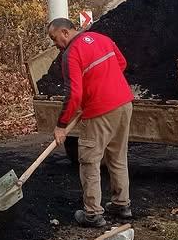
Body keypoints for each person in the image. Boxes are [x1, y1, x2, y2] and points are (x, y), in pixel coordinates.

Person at [48, 18, 134, 227]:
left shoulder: (71, 54)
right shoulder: (101, 38)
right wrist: (104, 82)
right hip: (124, 103)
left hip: (100, 111)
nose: (55, 43)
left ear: (65, 32)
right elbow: (122, 63)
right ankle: (122, 204)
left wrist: (61, 125)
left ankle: (93, 213)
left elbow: (74, 94)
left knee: (89, 160)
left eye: (54, 38)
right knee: (117, 156)